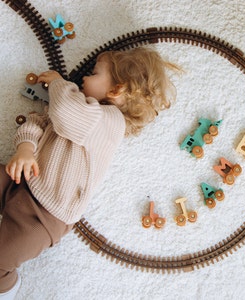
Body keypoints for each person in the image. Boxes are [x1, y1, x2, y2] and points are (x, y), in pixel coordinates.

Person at [0, 47, 178, 299]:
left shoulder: (109, 121)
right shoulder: (83, 109)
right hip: (21, 179)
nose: (83, 79)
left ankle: (7, 289)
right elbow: (39, 121)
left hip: (44, 217)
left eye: (94, 74)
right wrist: (25, 149)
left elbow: (63, 112)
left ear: (116, 90)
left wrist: (60, 84)